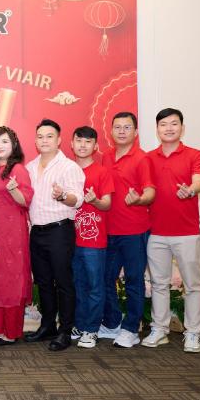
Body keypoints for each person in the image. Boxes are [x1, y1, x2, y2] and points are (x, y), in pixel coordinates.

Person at [142, 108, 200, 353]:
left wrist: (191, 189)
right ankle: (160, 329)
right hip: (156, 232)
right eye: (163, 124)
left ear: (182, 127)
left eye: (174, 123)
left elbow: (199, 179)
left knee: (192, 284)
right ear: (157, 129)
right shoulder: (148, 158)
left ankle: (193, 332)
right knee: (159, 283)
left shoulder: (195, 155)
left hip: (186, 231)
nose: (168, 128)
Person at [24, 119, 84, 352]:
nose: (44, 140)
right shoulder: (30, 167)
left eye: (49, 136)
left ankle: (65, 331)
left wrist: (62, 196)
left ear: (59, 140)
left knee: (63, 282)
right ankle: (47, 325)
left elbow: (77, 199)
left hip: (59, 231)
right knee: (43, 282)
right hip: (36, 232)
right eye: (40, 136)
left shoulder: (69, 167)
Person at [100, 112, 155, 348]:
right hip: (109, 231)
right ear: (111, 131)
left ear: (136, 132)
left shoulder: (142, 158)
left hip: (135, 231)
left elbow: (150, 192)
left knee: (134, 280)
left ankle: (131, 328)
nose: (122, 131)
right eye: (117, 127)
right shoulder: (105, 157)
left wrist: (140, 199)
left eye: (127, 127)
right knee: (105, 278)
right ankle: (113, 323)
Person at [0, 126, 33, 346]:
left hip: (13, 233)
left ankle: (11, 331)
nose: (0, 146)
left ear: (13, 145)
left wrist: (13, 190)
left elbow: (25, 201)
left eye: (4, 141)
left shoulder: (18, 169)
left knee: (12, 279)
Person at [70, 126, 114, 349]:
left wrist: (94, 200)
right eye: (79, 140)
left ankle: (92, 328)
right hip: (70, 239)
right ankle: (79, 324)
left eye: (88, 141)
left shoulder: (102, 172)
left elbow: (107, 203)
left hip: (94, 241)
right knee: (77, 284)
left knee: (95, 285)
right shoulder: (67, 170)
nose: (83, 145)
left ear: (96, 146)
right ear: (71, 144)